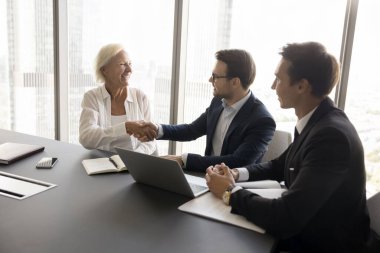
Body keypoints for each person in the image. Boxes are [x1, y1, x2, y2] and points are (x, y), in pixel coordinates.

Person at [206, 42, 372, 252]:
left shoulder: (331, 137)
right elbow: (279, 165)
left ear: (302, 86)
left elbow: (286, 217)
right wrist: (237, 174)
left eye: (278, 79)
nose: (273, 86)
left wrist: (230, 192)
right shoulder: (318, 121)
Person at [138, 49, 275, 172]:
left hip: (234, 188)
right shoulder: (218, 102)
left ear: (235, 82)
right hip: (206, 178)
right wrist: (157, 129)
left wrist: (184, 160)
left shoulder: (262, 120)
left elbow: (238, 162)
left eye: (216, 76)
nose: (210, 80)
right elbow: (192, 130)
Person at [79, 43, 157, 154]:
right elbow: (86, 138)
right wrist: (125, 127)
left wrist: (134, 158)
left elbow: (150, 140)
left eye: (130, 64)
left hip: (135, 163)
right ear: (104, 70)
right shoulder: (92, 97)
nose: (130, 70)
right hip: (102, 164)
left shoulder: (140, 97)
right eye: (122, 64)